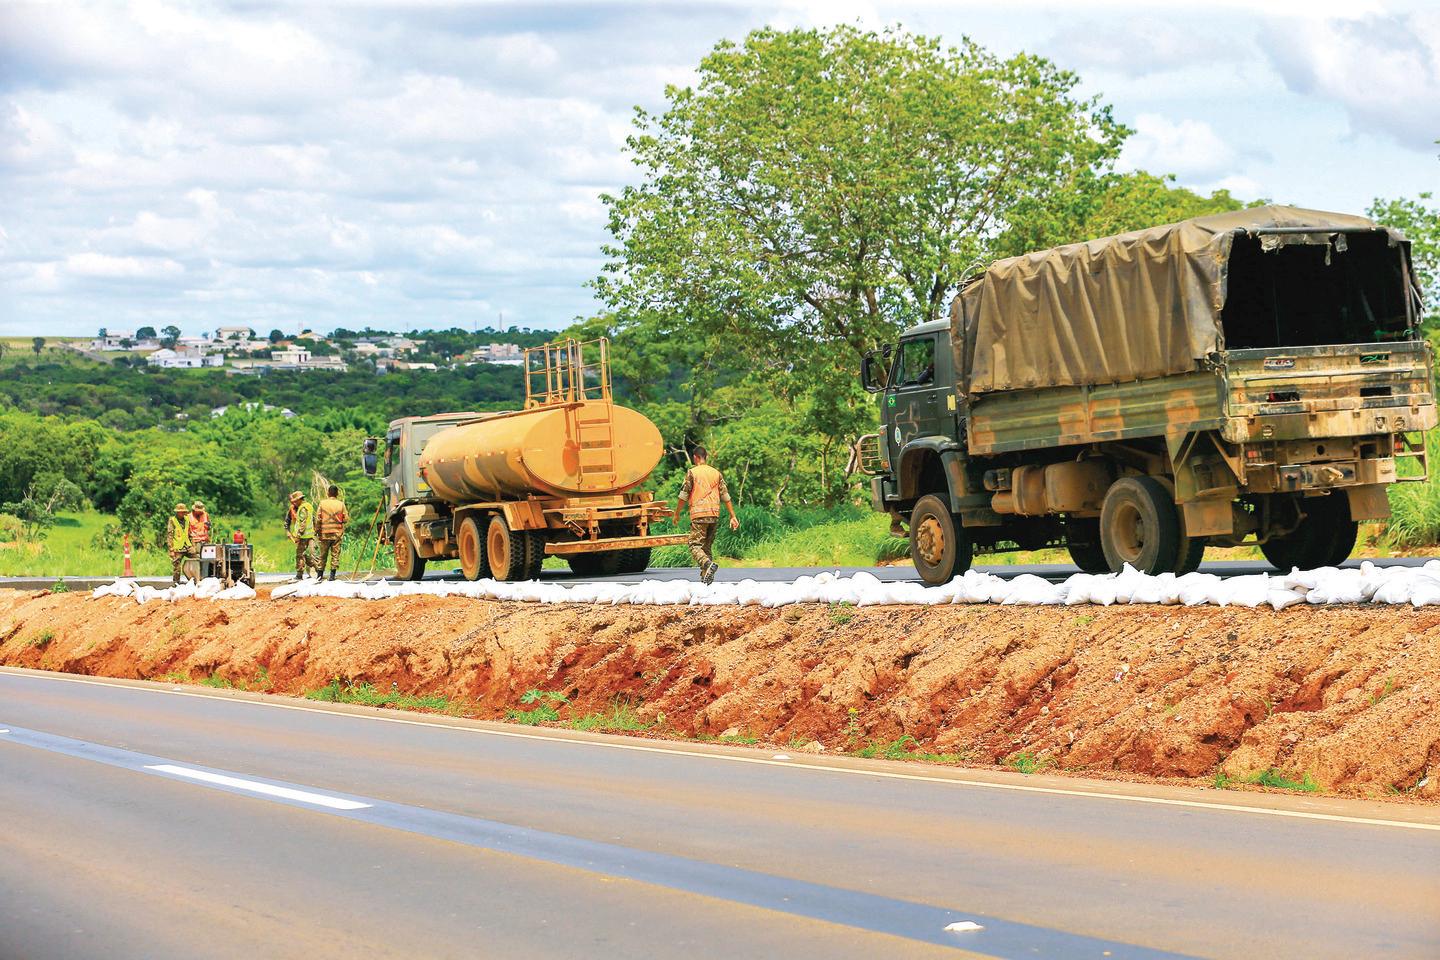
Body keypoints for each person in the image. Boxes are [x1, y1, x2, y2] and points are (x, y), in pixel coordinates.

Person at [676, 445, 738, 585]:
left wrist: (677, 514)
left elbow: (683, 495)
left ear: (695, 457)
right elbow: (725, 495)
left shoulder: (692, 472)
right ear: (706, 456)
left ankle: (706, 564)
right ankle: (706, 582)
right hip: (714, 514)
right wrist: (732, 516)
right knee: (706, 547)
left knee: (694, 545)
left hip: (699, 514)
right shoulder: (716, 473)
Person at [315, 484, 348, 581]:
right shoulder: (341, 504)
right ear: (337, 494)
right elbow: (346, 519)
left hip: (325, 534)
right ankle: (332, 576)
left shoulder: (322, 503)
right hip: (337, 534)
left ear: (328, 493)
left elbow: (318, 519)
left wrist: (317, 531)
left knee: (322, 555)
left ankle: (320, 575)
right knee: (335, 555)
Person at [287, 490, 318, 580]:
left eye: (295, 501)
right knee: (312, 554)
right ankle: (319, 572)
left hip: (304, 536)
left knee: (300, 555)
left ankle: (299, 575)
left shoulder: (302, 508)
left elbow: (303, 523)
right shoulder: (309, 506)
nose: (294, 503)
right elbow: (313, 519)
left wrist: (298, 535)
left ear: (299, 499)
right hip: (311, 534)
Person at [165, 501, 193, 585]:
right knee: (177, 566)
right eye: (181, 512)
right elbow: (170, 535)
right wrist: (171, 549)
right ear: (177, 512)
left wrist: (193, 545)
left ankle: (197, 580)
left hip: (187, 546)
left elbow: (190, 533)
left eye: (184, 512)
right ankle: (176, 583)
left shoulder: (187, 520)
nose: (183, 513)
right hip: (177, 547)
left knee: (198, 558)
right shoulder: (172, 520)